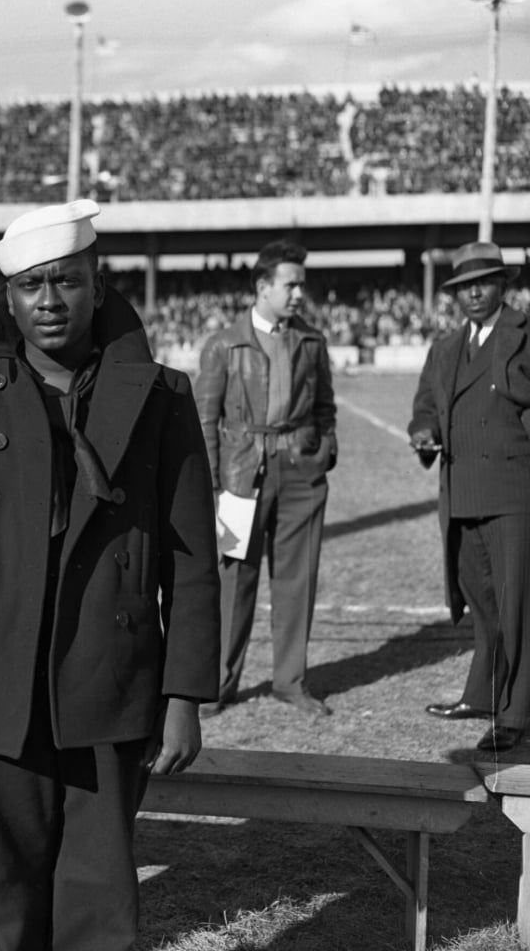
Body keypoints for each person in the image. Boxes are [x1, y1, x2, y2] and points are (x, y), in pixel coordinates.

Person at [0, 199, 220, 951]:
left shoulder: (162, 396)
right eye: (31, 286)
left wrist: (184, 694)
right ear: (8, 300)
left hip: (110, 676)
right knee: (11, 897)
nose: (49, 301)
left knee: (99, 900)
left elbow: (191, 558)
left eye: (66, 282)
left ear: (98, 283)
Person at [193, 239, 338, 717]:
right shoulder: (223, 345)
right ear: (263, 287)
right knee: (234, 581)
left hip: (301, 474)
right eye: (291, 284)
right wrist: (213, 487)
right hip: (239, 476)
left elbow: (325, 408)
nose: (299, 293)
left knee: (298, 580)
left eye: (302, 284)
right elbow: (204, 420)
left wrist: (324, 451)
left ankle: (290, 682)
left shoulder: (312, 342)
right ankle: (216, 685)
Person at [409, 240, 530, 752]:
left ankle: (515, 711)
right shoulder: (444, 347)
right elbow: (423, 405)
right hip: (460, 491)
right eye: (464, 287)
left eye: (483, 283)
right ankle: (484, 694)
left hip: (514, 489)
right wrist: (422, 432)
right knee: (481, 602)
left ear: (503, 285)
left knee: (518, 604)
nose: (474, 293)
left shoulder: (529, 334)